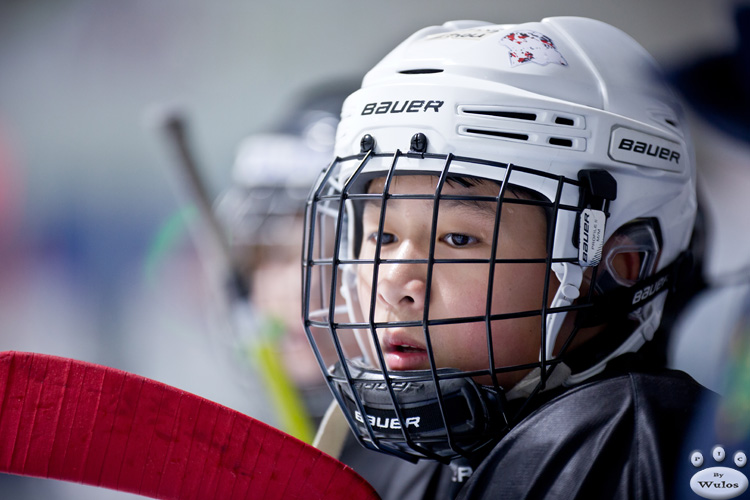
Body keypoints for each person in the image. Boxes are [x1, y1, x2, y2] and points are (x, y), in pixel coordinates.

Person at [301, 17, 712, 499]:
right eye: (383, 236)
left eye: (457, 240)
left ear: (620, 265)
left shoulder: (631, 446)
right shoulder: (404, 461)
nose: (394, 281)